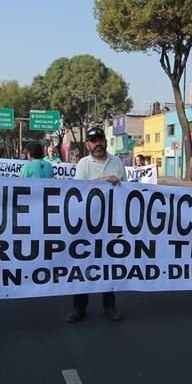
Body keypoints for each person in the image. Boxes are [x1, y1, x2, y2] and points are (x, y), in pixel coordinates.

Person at [67, 127, 127, 323]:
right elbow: (78, 191)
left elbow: (126, 189)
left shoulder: (117, 162)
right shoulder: (83, 164)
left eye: (100, 139)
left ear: (106, 142)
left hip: (110, 223)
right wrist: (102, 181)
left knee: (108, 265)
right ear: (88, 145)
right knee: (83, 264)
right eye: (93, 141)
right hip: (87, 224)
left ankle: (110, 306)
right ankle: (79, 308)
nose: (98, 143)